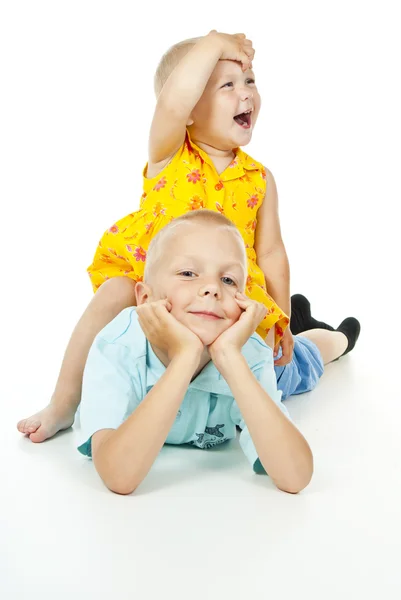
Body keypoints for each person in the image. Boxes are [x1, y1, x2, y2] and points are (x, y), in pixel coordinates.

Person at [16, 31, 352, 443]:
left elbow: (271, 252)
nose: (245, 93)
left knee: (296, 363)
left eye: (249, 81)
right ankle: (64, 402)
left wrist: (280, 317)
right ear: (190, 108)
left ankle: (331, 337)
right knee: (114, 291)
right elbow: (172, 102)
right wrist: (216, 42)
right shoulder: (170, 152)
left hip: (227, 298)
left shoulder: (260, 179)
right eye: (226, 85)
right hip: (167, 288)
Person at [76, 210, 360, 495]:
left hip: (274, 362)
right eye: (188, 273)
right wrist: (185, 355)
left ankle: (338, 338)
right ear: (146, 299)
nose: (212, 288)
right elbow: (118, 475)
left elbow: (295, 477)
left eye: (228, 280)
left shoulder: (247, 353)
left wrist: (229, 356)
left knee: (301, 362)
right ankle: (299, 314)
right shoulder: (117, 347)